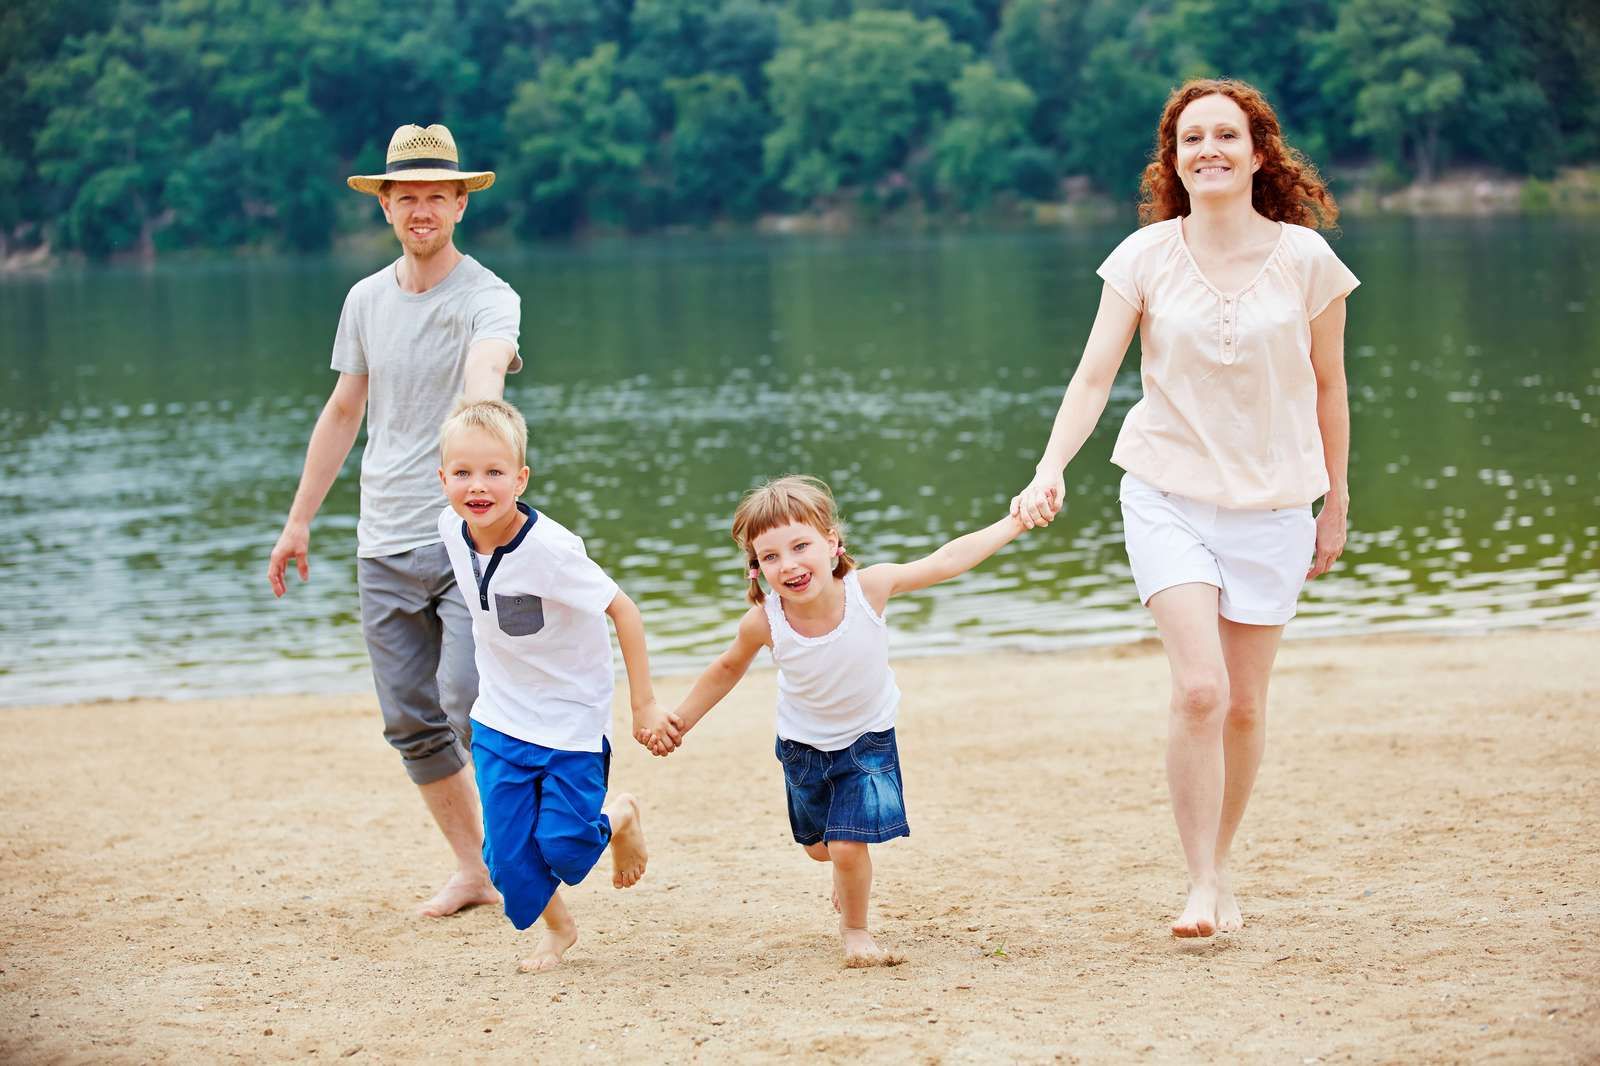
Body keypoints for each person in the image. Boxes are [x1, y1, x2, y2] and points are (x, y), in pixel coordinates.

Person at [1011, 79, 1359, 938]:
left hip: (1276, 503)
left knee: (1243, 705)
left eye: (1225, 136)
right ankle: (1200, 883)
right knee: (1200, 690)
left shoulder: (1308, 261)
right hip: (1166, 492)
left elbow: (1330, 389)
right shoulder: (1144, 257)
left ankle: (1223, 863)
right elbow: (1094, 375)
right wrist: (1051, 465)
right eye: (1190, 138)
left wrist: (1336, 500)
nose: (1208, 149)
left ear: (1257, 152)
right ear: (1173, 159)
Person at [267, 124, 523, 917]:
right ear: (385, 205)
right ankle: (475, 869)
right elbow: (346, 408)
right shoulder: (365, 299)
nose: (421, 209)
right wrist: (298, 521)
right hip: (379, 542)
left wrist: (478, 419)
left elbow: (486, 365)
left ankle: (549, 831)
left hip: (461, 535)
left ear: (459, 205)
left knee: (469, 700)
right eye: (405, 195)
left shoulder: (488, 295)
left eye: (436, 197)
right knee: (411, 721)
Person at [647, 475, 1031, 966]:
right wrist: (679, 720)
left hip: (868, 741)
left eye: (800, 546)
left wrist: (1014, 523)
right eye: (771, 557)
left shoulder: (868, 589)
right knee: (821, 849)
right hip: (802, 751)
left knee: (849, 848)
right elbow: (725, 669)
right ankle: (841, 872)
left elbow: (946, 561)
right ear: (756, 568)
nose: (788, 565)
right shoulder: (767, 621)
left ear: (832, 543)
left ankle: (855, 931)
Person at [436, 398, 670, 971]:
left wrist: (643, 705)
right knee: (507, 862)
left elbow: (626, 611)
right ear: (442, 478)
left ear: (521, 478)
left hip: (570, 720)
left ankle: (620, 817)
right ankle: (559, 929)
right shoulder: (449, 527)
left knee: (564, 846)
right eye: (463, 473)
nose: (478, 486)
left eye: (494, 472)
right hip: (499, 719)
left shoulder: (553, 551)